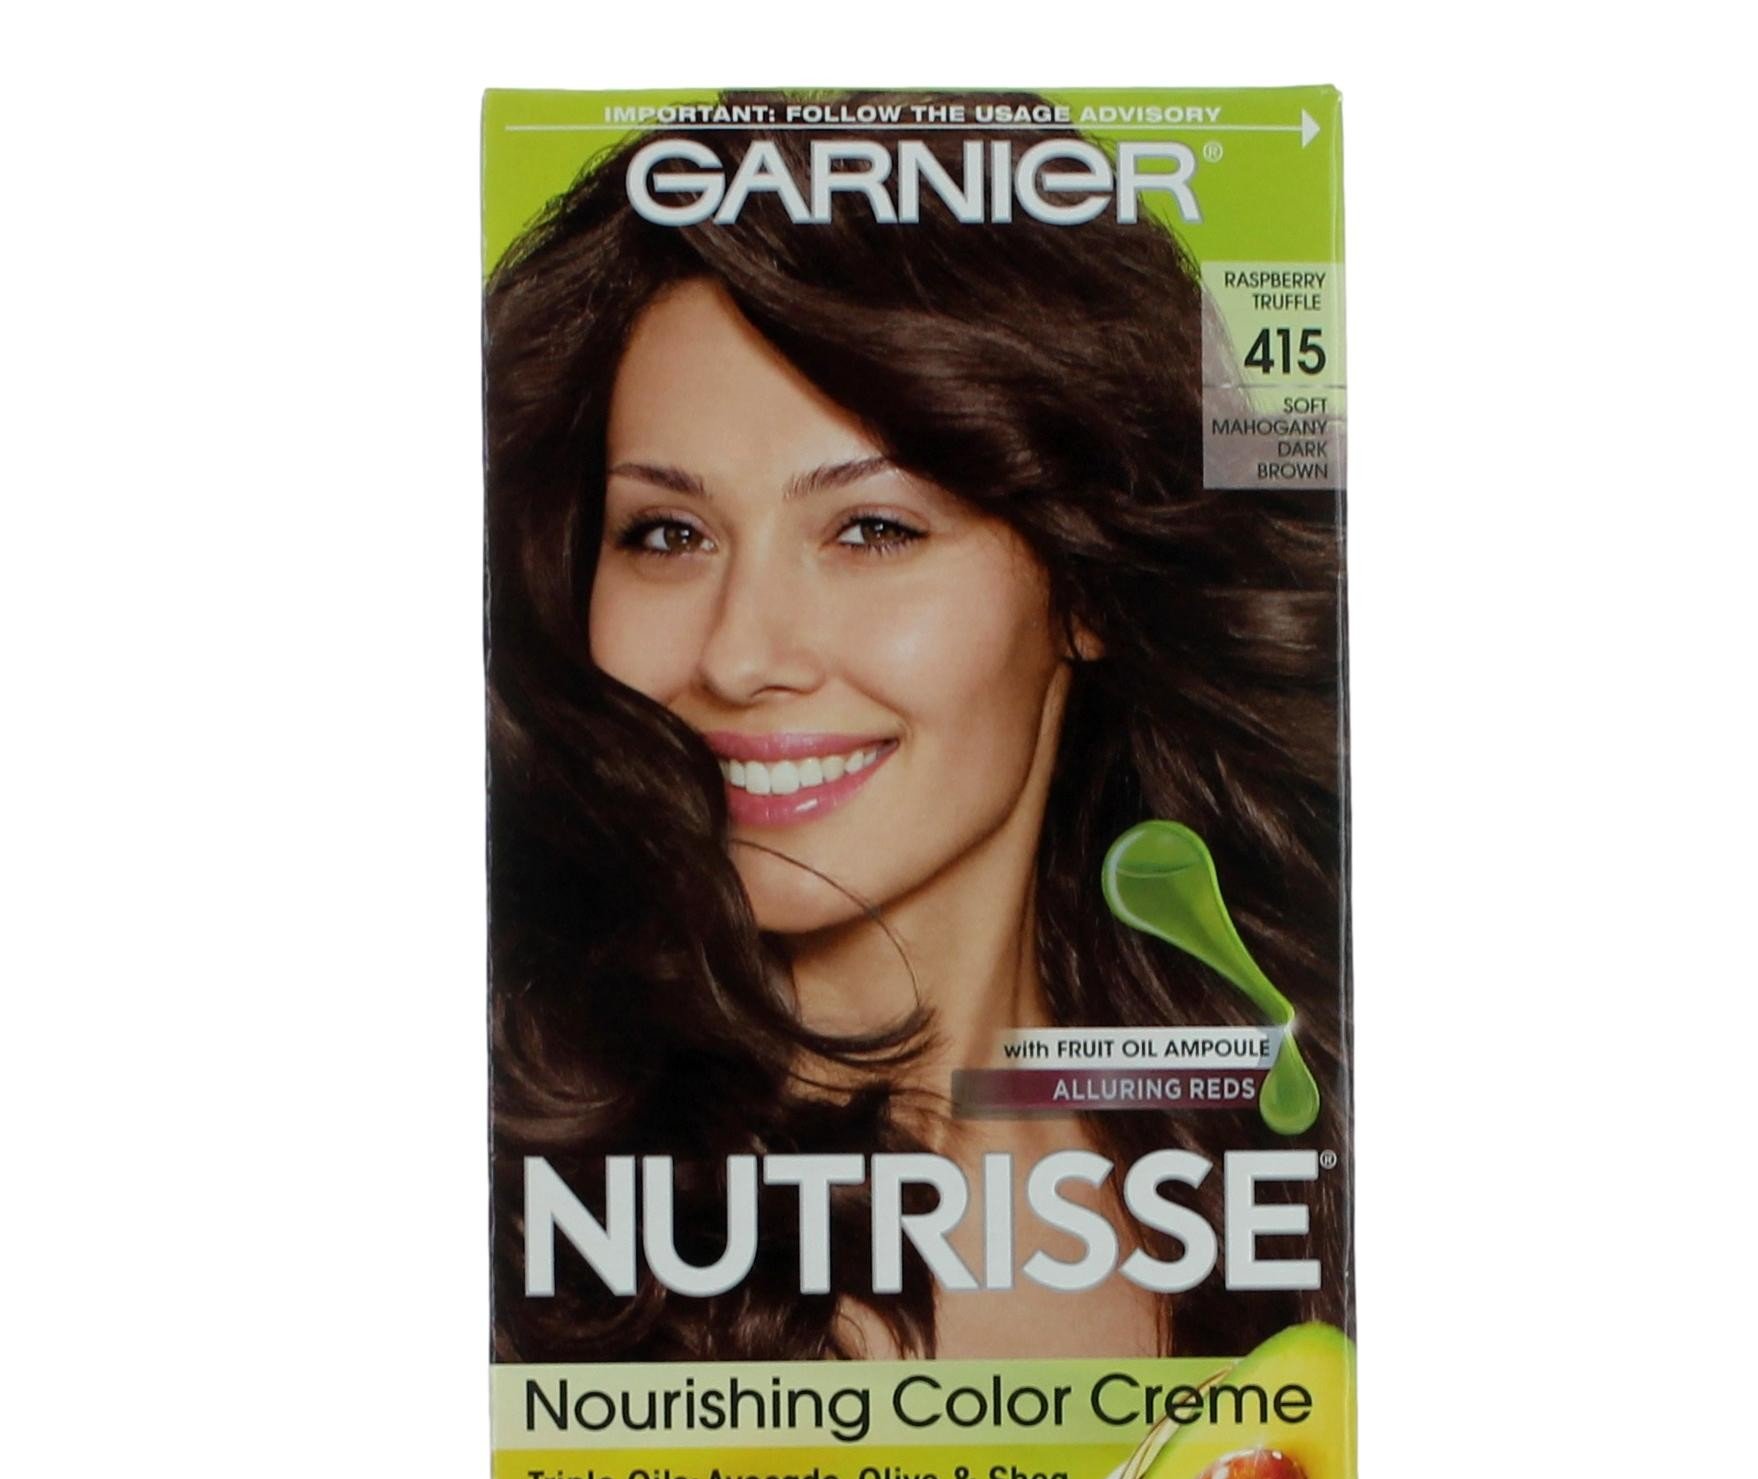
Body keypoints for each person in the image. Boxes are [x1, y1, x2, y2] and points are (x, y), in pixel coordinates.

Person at [485, 96, 1350, 1364]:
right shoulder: (512, 1214)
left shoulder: (1302, 1148)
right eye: (667, 533)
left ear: (1086, 585)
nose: (739, 655)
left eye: (873, 529)